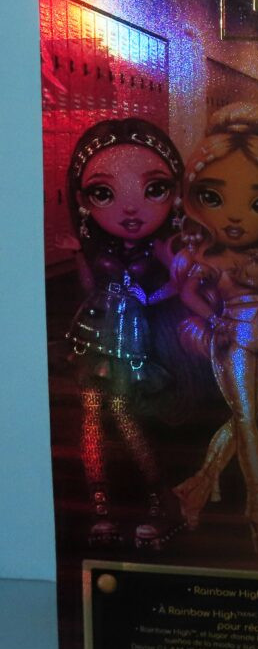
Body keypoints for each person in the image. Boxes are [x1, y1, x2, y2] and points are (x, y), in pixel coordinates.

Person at [170, 103, 258, 560]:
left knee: (246, 421)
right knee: (246, 422)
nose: (234, 217)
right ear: (194, 198)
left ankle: (200, 484)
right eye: (213, 197)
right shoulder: (207, 258)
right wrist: (212, 320)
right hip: (234, 339)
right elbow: (188, 293)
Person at [59, 117, 183, 548]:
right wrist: (78, 258)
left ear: (176, 192)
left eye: (154, 189)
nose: (130, 209)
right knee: (92, 417)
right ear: (83, 200)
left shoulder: (163, 248)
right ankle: (99, 509)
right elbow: (89, 287)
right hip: (94, 335)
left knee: (126, 417)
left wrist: (148, 296)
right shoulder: (101, 247)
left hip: (132, 342)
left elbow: (176, 287)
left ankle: (159, 500)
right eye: (103, 193)